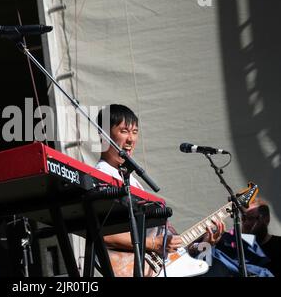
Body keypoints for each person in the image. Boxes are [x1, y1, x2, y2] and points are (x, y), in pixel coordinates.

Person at [95, 104, 225, 277]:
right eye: (124, 131)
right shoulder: (102, 175)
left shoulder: (130, 179)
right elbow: (100, 233)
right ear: (103, 136)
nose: (131, 139)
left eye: (135, 132)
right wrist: (154, 244)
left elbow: (166, 246)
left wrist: (203, 245)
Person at [241, 198, 280, 276]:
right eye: (243, 219)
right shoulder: (238, 248)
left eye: (251, 218)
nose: (246, 223)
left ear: (266, 220)